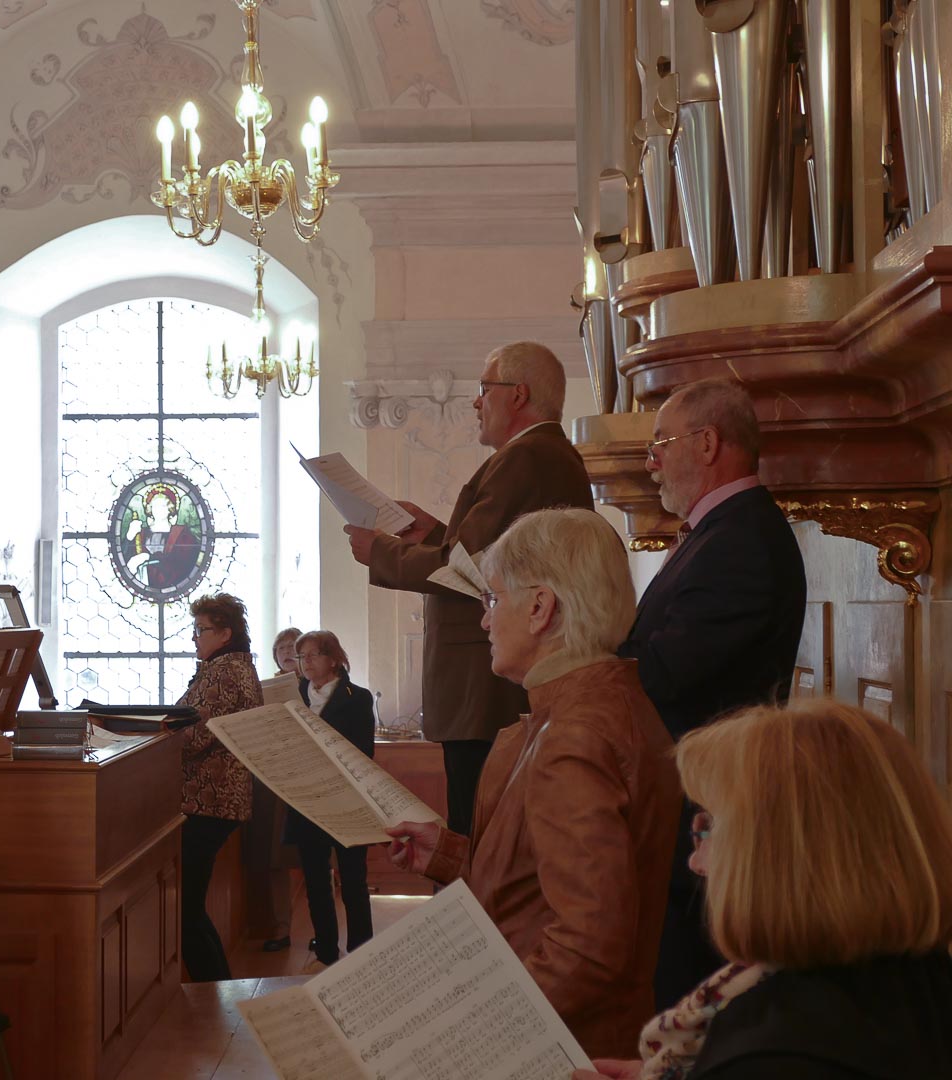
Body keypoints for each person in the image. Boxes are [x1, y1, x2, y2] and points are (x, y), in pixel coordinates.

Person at [388, 508, 680, 1058]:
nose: (484, 621)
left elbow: (589, 946)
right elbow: (547, 883)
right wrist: (451, 855)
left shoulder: (575, 735)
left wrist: (468, 1039)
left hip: (564, 1049)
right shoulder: (594, 706)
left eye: (493, 600)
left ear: (541, 607)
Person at [572, 700, 952, 1080]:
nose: (696, 862)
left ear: (774, 857)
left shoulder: (775, 1053)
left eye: (709, 827)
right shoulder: (915, 975)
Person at [346, 341, 593, 836]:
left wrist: (382, 553)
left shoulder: (526, 458)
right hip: (486, 686)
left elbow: (468, 573)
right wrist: (435, 534)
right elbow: (492, 560)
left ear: (518, 395)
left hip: (485, 689)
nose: (476, 402)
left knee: (479, 838)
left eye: (484, 389)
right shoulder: (538, 456)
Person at [618, 378, 806, 1007]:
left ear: (706, 443)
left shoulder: (743, 540)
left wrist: (587, 659)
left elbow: (668, 672)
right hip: (690, 794)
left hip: (710, 799)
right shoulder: (717, 532)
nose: (651, 463)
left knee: (693, 987)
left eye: (660, 444)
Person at [178, 592, 262, 981]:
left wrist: (146, 732)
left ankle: (214, 994)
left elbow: (193, 737)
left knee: (186, 909)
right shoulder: (230, 665)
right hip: (214, 800)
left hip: (210, 799)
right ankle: (220, 988)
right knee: (190, 908)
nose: (194, 638)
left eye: (201, 630)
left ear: (225, 633)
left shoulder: (224, 671)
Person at [287, 629, 375, 972]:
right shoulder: (293, 694)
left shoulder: (358, 697)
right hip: (308, 798)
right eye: (301, 656)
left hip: (348, 799)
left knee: (353, 878)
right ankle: (325, 949)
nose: (305, 663)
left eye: (313, 655)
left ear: (333, 659)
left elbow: (363, 751)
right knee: (315, 879)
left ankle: (362, 950)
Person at [245, 625, 302, 953]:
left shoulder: (315, 689)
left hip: (304, 779)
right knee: (274, 858)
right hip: (271, 782)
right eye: (281, 649)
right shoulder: (263, 689)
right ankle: (280, 926)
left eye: (293, 648)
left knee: (313, 858)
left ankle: (324, 931)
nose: (287, 653)